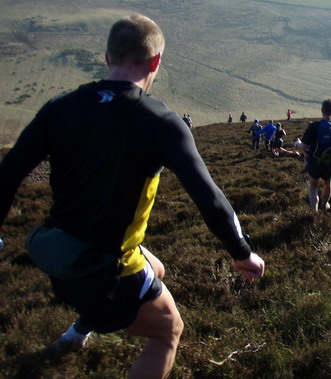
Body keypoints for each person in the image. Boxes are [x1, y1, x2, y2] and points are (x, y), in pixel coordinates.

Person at [0, 14, 265, 378]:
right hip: (106, 271)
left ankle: (77, 333)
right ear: (156, 61)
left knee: (155, 267)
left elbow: (6, 175)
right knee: (169, 333)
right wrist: (242, 252)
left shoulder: (59, 108)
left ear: (107, 57)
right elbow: (209, 198)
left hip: (55, 255)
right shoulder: (159, 121)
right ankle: (95, 319)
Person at [294, 99, 331, 211]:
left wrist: (297, 143)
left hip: (314, 161)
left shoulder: (314, 126)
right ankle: (324, 205)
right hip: (330, 162)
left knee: (313, 186)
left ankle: (314, 211)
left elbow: (303, 146)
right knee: (327, 183)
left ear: (321, 110)